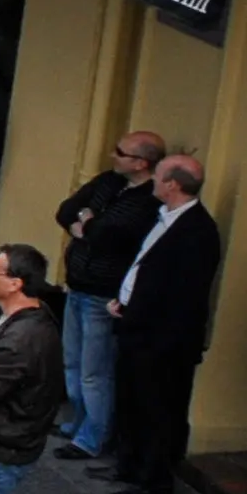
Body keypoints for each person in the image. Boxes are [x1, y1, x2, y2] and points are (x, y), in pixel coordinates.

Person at [108, 154, 223, 494]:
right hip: (136, 327)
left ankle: (153, 479)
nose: (153, 181)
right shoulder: (163, 218)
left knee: (158, 411)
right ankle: (128, 466)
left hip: (162, 342)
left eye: (158, 176)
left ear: (173, 184)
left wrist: (145, 323)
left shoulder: (198, 231)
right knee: (132, 402)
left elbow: (181, 295)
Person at [53, 132, 167, 460]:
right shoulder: (108, 181)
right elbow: (67, 210)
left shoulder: (148, 200)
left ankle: (93, 437)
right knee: (72, 361)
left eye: (121, 152)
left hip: (103, 294)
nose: (111, 155)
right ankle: (77, 421)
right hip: (77, 284)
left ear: (141, 162)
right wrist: (87, 225)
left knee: (95, 370)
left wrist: (89, 225)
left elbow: (112, 235)